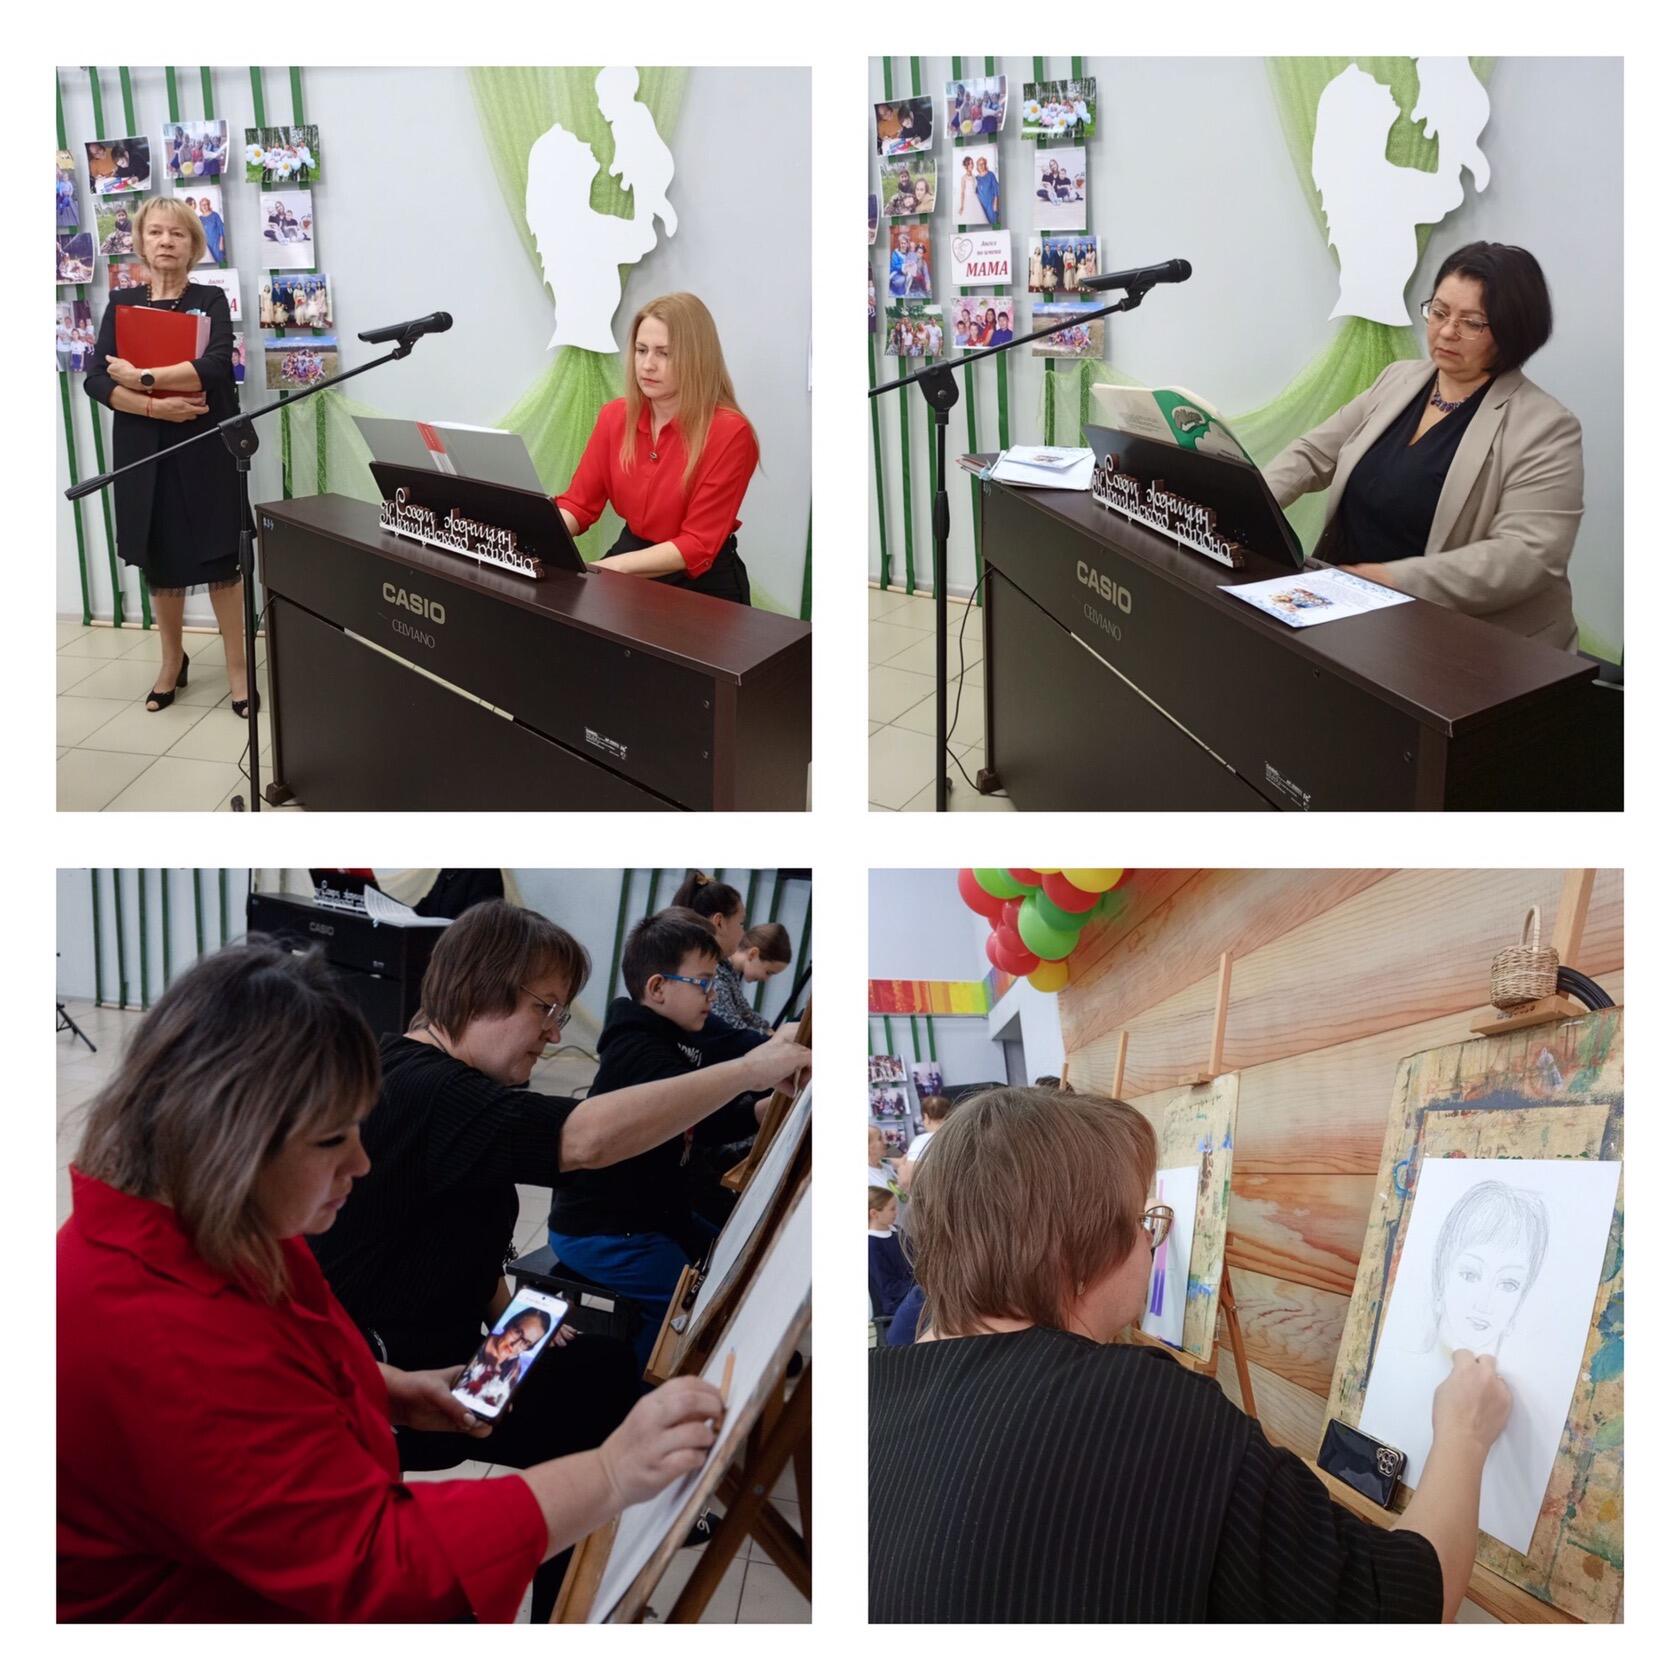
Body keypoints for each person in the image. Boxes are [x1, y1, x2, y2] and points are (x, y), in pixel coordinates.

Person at [59, 940, 727, 1623]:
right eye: (332, 1139)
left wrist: (388, 1390)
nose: (360, 1162)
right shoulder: (159, 1332)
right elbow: (375, 1564)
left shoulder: (209, 1222)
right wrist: (611, 1474)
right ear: (232, 1139)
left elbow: (297, 1336)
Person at [869, 1087, 1512, 1622]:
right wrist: (1464, 1435)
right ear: (1076, 1254)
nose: (1152, 1243)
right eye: (1140, 1221)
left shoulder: (867, 1390)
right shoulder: (1141, 1413)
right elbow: (1400, 1608)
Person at [1264, 242, 1583, 649]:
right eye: (1440, 312)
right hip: (1348, 606)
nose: (1447, 331)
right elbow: (1313, 454)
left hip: (1467, 641)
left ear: (1513, 331)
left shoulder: (1546, 426)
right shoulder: (1399, 379)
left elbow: (1527, 556)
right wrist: (1253, 503)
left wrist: (1391, 579)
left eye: (1472, 323)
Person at [547, 908, 808, 1365]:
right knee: (681, 1306)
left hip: (652, 1216)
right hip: (604, 1230)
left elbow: (705, 1118)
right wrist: (752, 1085)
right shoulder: (638, 1051)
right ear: (657, 988)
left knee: (732, 1260)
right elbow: (700, 1113)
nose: (712, 994)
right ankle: (647, 1389)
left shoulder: (681, 1032)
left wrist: (765, 1107)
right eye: (702, 983)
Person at [83, 196, 253, 716]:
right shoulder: (122, 303)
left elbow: (218, 365)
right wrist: (155, 405)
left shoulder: (210, 299)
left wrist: (144, 376)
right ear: (140, 241)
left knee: (220, 555)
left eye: (178, 234)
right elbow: (96, 379)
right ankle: (171, 661)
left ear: (194, 245)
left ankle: (239, 669)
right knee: (160, 555)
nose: (166, 242)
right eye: (156, 232)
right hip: (143, 446)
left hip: (206, 445)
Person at [554, 293, 758, 604]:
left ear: (696, 358)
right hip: (630, 554)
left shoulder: (730, 432)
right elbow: (579, 504)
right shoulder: (614, 416)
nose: (647, 365)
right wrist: (540, 536)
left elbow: (697, 544)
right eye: (641, 350)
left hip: (701, 584)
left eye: (664, 353)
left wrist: (601, 569)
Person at [710, 920, 789, 1037]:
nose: (766, 979)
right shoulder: (718, 974)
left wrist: (766, 1028)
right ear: (753, 954)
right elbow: (730, 1025)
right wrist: (767, 1037)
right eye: (768, 972)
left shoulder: (730, 972)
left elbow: (745, 1012)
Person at [868, 1189, 914, 1322]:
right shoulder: (871, 1245)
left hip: (915, 1293)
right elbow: (889, 1287)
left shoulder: (898, 1231)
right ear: (874, 1213)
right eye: (892, 1209)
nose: (896, 1212)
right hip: (897, 1307)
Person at [897, 1094, 950, 1191]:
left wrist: (901, 1166)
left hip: (932, 1195)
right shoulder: (959, 1137)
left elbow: (907, 1180)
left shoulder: (921, 1142)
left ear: (926, 1117)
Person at [973, 154, 1000, 228]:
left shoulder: (991, 175)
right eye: (980, 164)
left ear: (985, 164)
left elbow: (996, 189)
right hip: (981, 206)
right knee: (984, 226)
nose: (982, 166)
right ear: (977, 166)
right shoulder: (976, 178)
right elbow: (975, 192)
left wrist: (995, 204)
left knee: (993, 222)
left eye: (983, 163)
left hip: (991, 204)